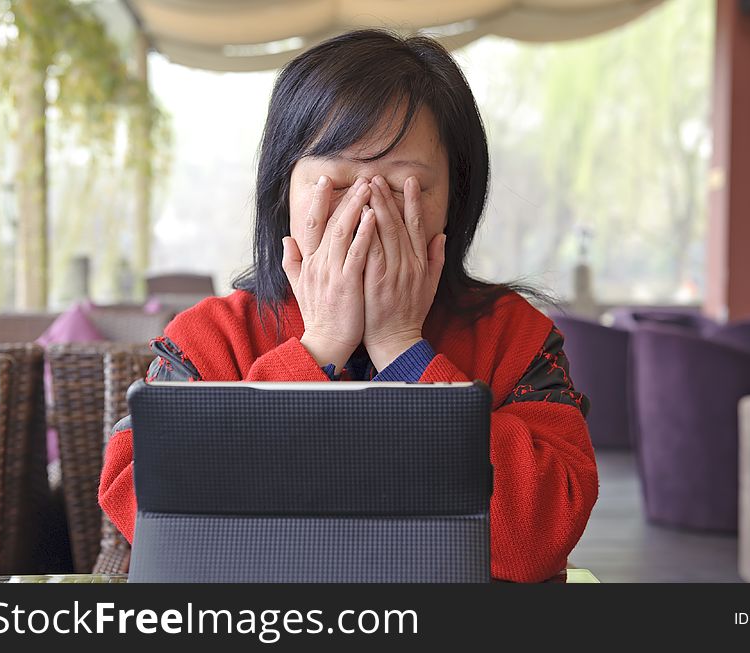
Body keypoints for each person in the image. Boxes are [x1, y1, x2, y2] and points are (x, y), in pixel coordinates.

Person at [99, 28, 598, 583]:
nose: (366, 216)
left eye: (404, 189)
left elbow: (540, 537)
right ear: (281, 192)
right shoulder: (208, 339)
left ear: (456, 202)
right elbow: (146, 510)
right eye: (337, 184)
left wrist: (403, 350)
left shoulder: (516, 337)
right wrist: (317, 348)